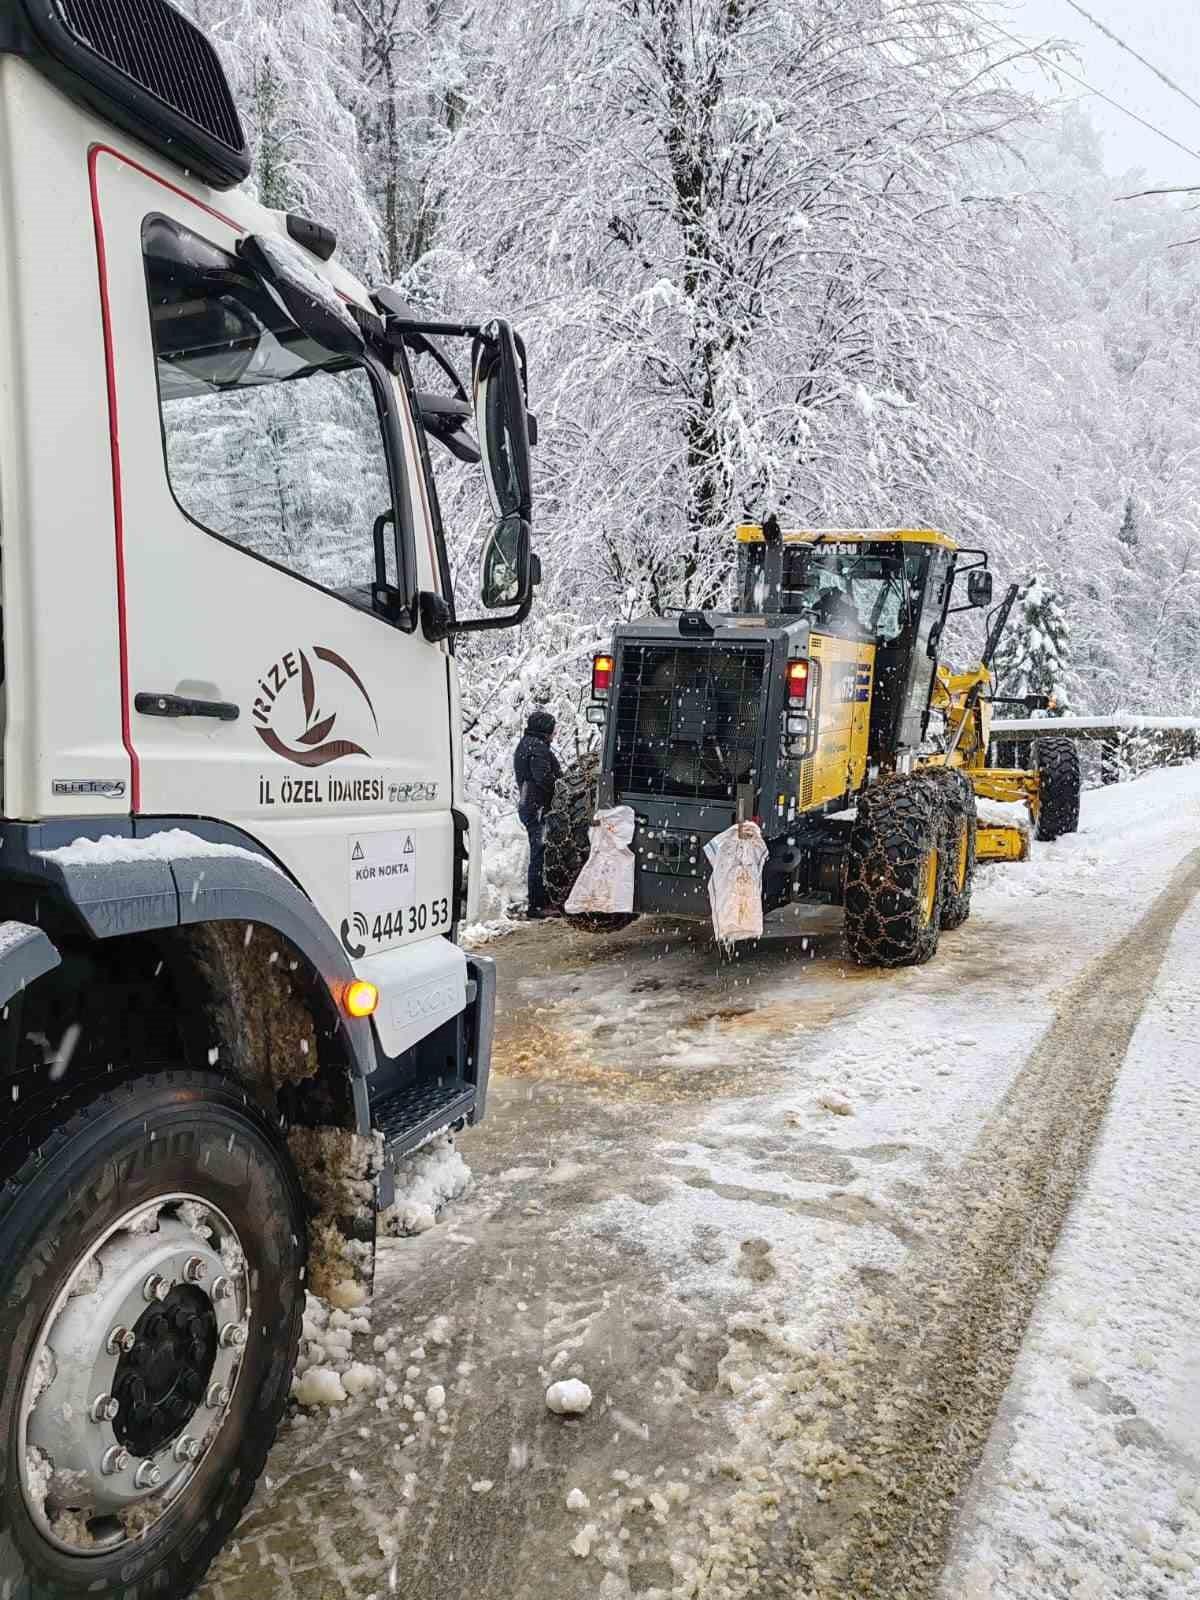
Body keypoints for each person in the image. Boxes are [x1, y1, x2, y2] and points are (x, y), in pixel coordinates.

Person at [514, 709, 563, 919]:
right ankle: (538, 904)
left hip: (530, 805)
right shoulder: (537, 747)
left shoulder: (527, 744)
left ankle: (541, 901)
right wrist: (561, 789)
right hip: (537, 807)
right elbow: (543, 777)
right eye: (553, 730)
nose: (555, 734)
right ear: (545, 730)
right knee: (540, 853)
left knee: (540, 851)